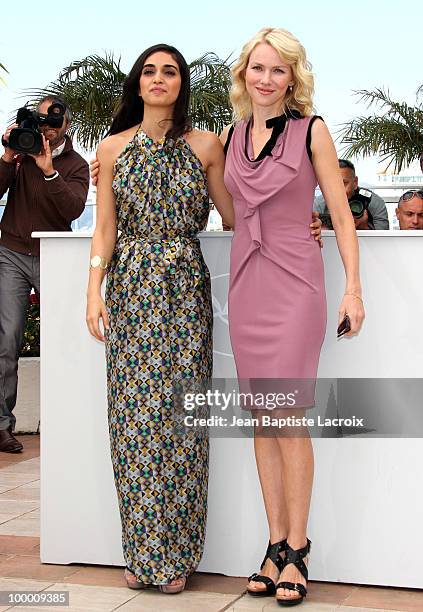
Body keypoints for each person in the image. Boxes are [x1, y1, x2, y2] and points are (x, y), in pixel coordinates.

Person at [87, 44, 323, 594]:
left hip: (185, 292)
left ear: (182, 84)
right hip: (130, 289)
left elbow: (241, 214)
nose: (159, 79)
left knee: (182, 424)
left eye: (170, 71)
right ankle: (143, 555)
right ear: (137, 84)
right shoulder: (113, 148)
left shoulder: (208, 145)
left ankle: (179, 558)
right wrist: (92, 290)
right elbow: (104, 231)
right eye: (150, 71)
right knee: (132, 425)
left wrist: (301, 225)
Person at [221, 28, 365, 607]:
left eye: (279, 70)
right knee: (261, 419)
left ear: (293, 78)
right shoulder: (231, 136)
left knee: (289, 417)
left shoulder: (313, 132)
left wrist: (353, 289)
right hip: (247, 285)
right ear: (244, 75)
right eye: (258, 68)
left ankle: (299, 551)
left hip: (297, 285)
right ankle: (273, 544)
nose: (266, 79)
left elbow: (341, 213)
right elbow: (231, 206)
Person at [0, 96, 89, 453]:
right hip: (11, 253)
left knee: (65, 341)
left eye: (54, 123)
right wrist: (7, 158)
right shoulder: (19, 154)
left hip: (55, 256)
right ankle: (2, 426)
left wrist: (49, 170)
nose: (46, 130)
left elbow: (72, 209)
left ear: (67, 124)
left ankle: (68, 420)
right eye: (41, 123)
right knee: (6, 339)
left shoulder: (76, 165)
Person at [314, 158, 389, 229]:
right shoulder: (320, 204)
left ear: (355, 182)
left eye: (344, 183)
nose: (338, 190)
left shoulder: (373, 202)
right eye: (333, 184)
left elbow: (384, 238)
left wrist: (364, 227)